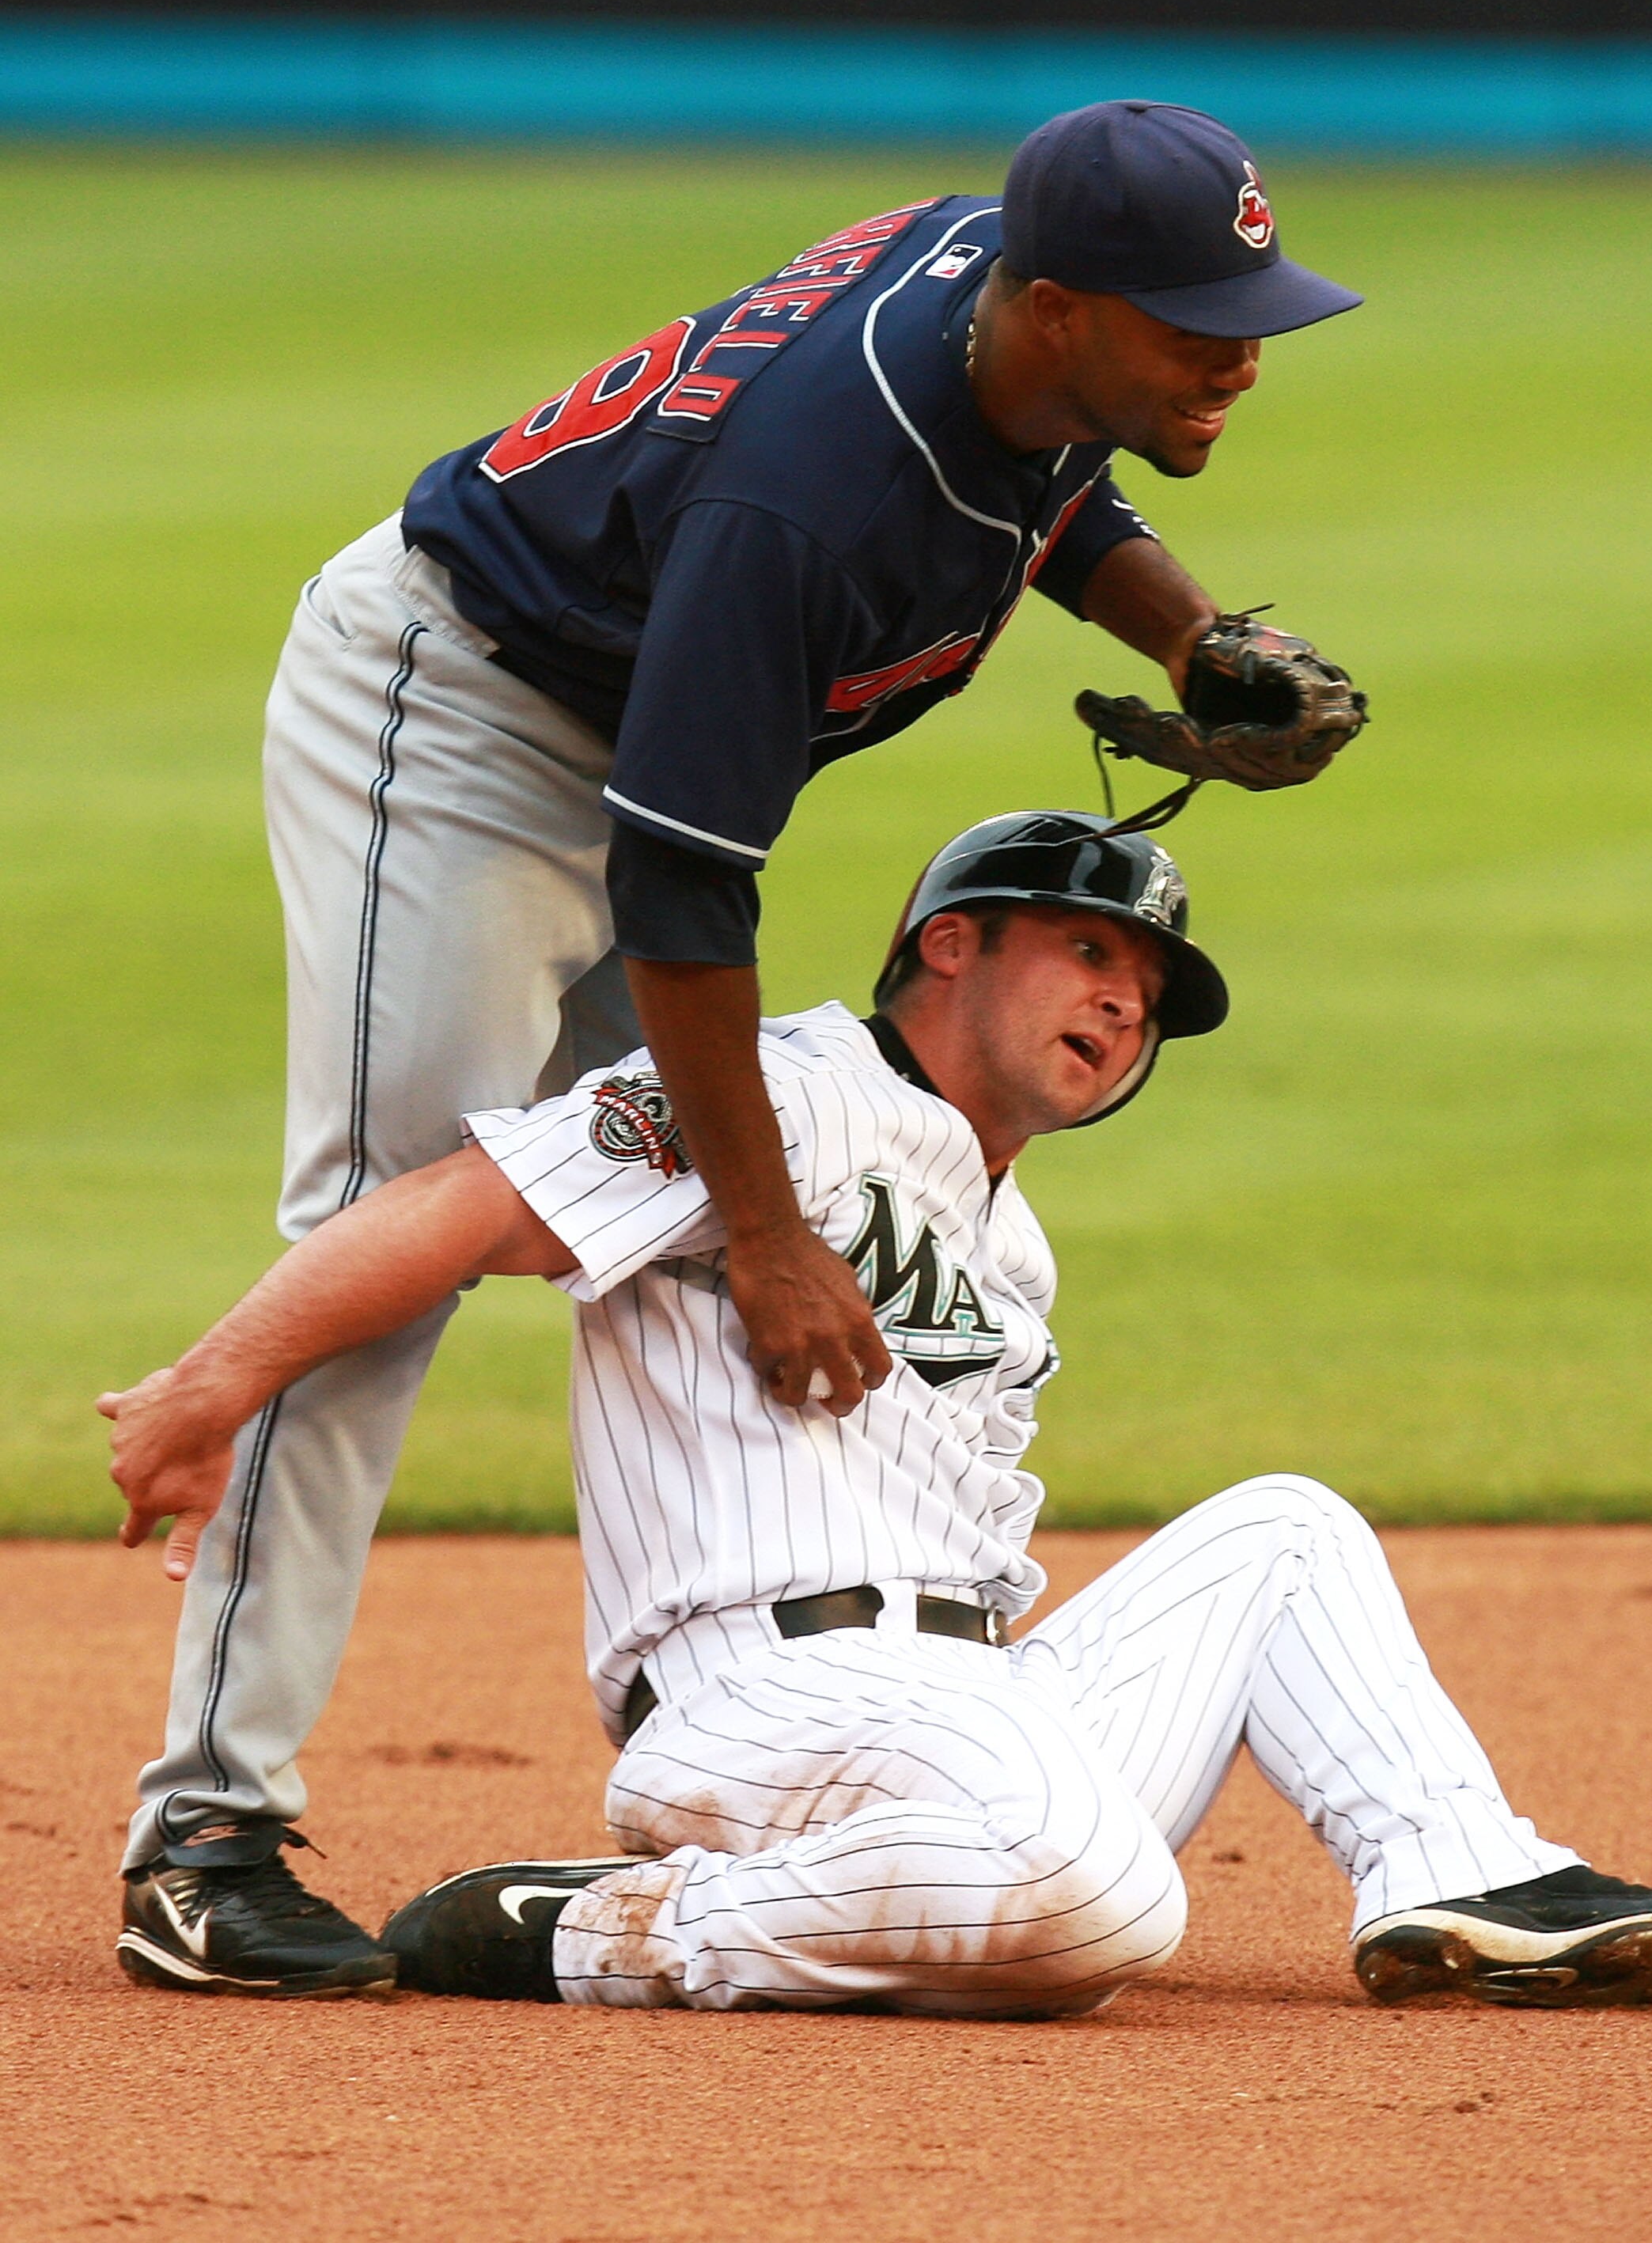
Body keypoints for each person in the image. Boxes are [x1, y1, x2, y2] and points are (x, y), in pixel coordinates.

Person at [104, 97, 1370, 1987]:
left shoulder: (1004, 318)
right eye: (1196, 319)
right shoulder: (810, 489)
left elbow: (1054, 491)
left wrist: (1188, 637)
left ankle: (762, 1754)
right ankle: (203, 1833)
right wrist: (768, 1236)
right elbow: (686, 896)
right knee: (403, 1232)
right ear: (1052, 304)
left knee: (695, 1191)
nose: (1240, 353)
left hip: (634, 715)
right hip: (458, 714)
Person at [104, 813, 1652, 2012]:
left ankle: (1455, 1876)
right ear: (947, 946)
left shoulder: (1011, 1235)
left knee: (1285, 1532)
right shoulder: (776, 1095)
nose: (1124, 1005)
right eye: (1090, 950)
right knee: (1104, 1904)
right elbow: (468, 1203)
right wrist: (212, 1383)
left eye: (1149, 992)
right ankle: (597, 1930)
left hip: (957, 1703)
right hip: (762, 1700)